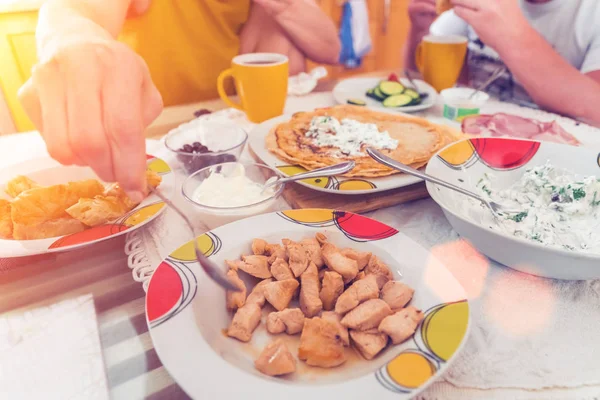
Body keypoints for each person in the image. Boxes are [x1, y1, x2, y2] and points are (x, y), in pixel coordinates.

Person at [18, 0, 340, 201]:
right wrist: (72, 36)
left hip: (225, 129)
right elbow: (71, 9)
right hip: (153, 130)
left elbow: (331, 48)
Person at [405, 0, 600, 125]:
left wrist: (514, 37)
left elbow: (593, 107)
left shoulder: (591, 13)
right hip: (469, 134)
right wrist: (419, 29)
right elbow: (418, 78)